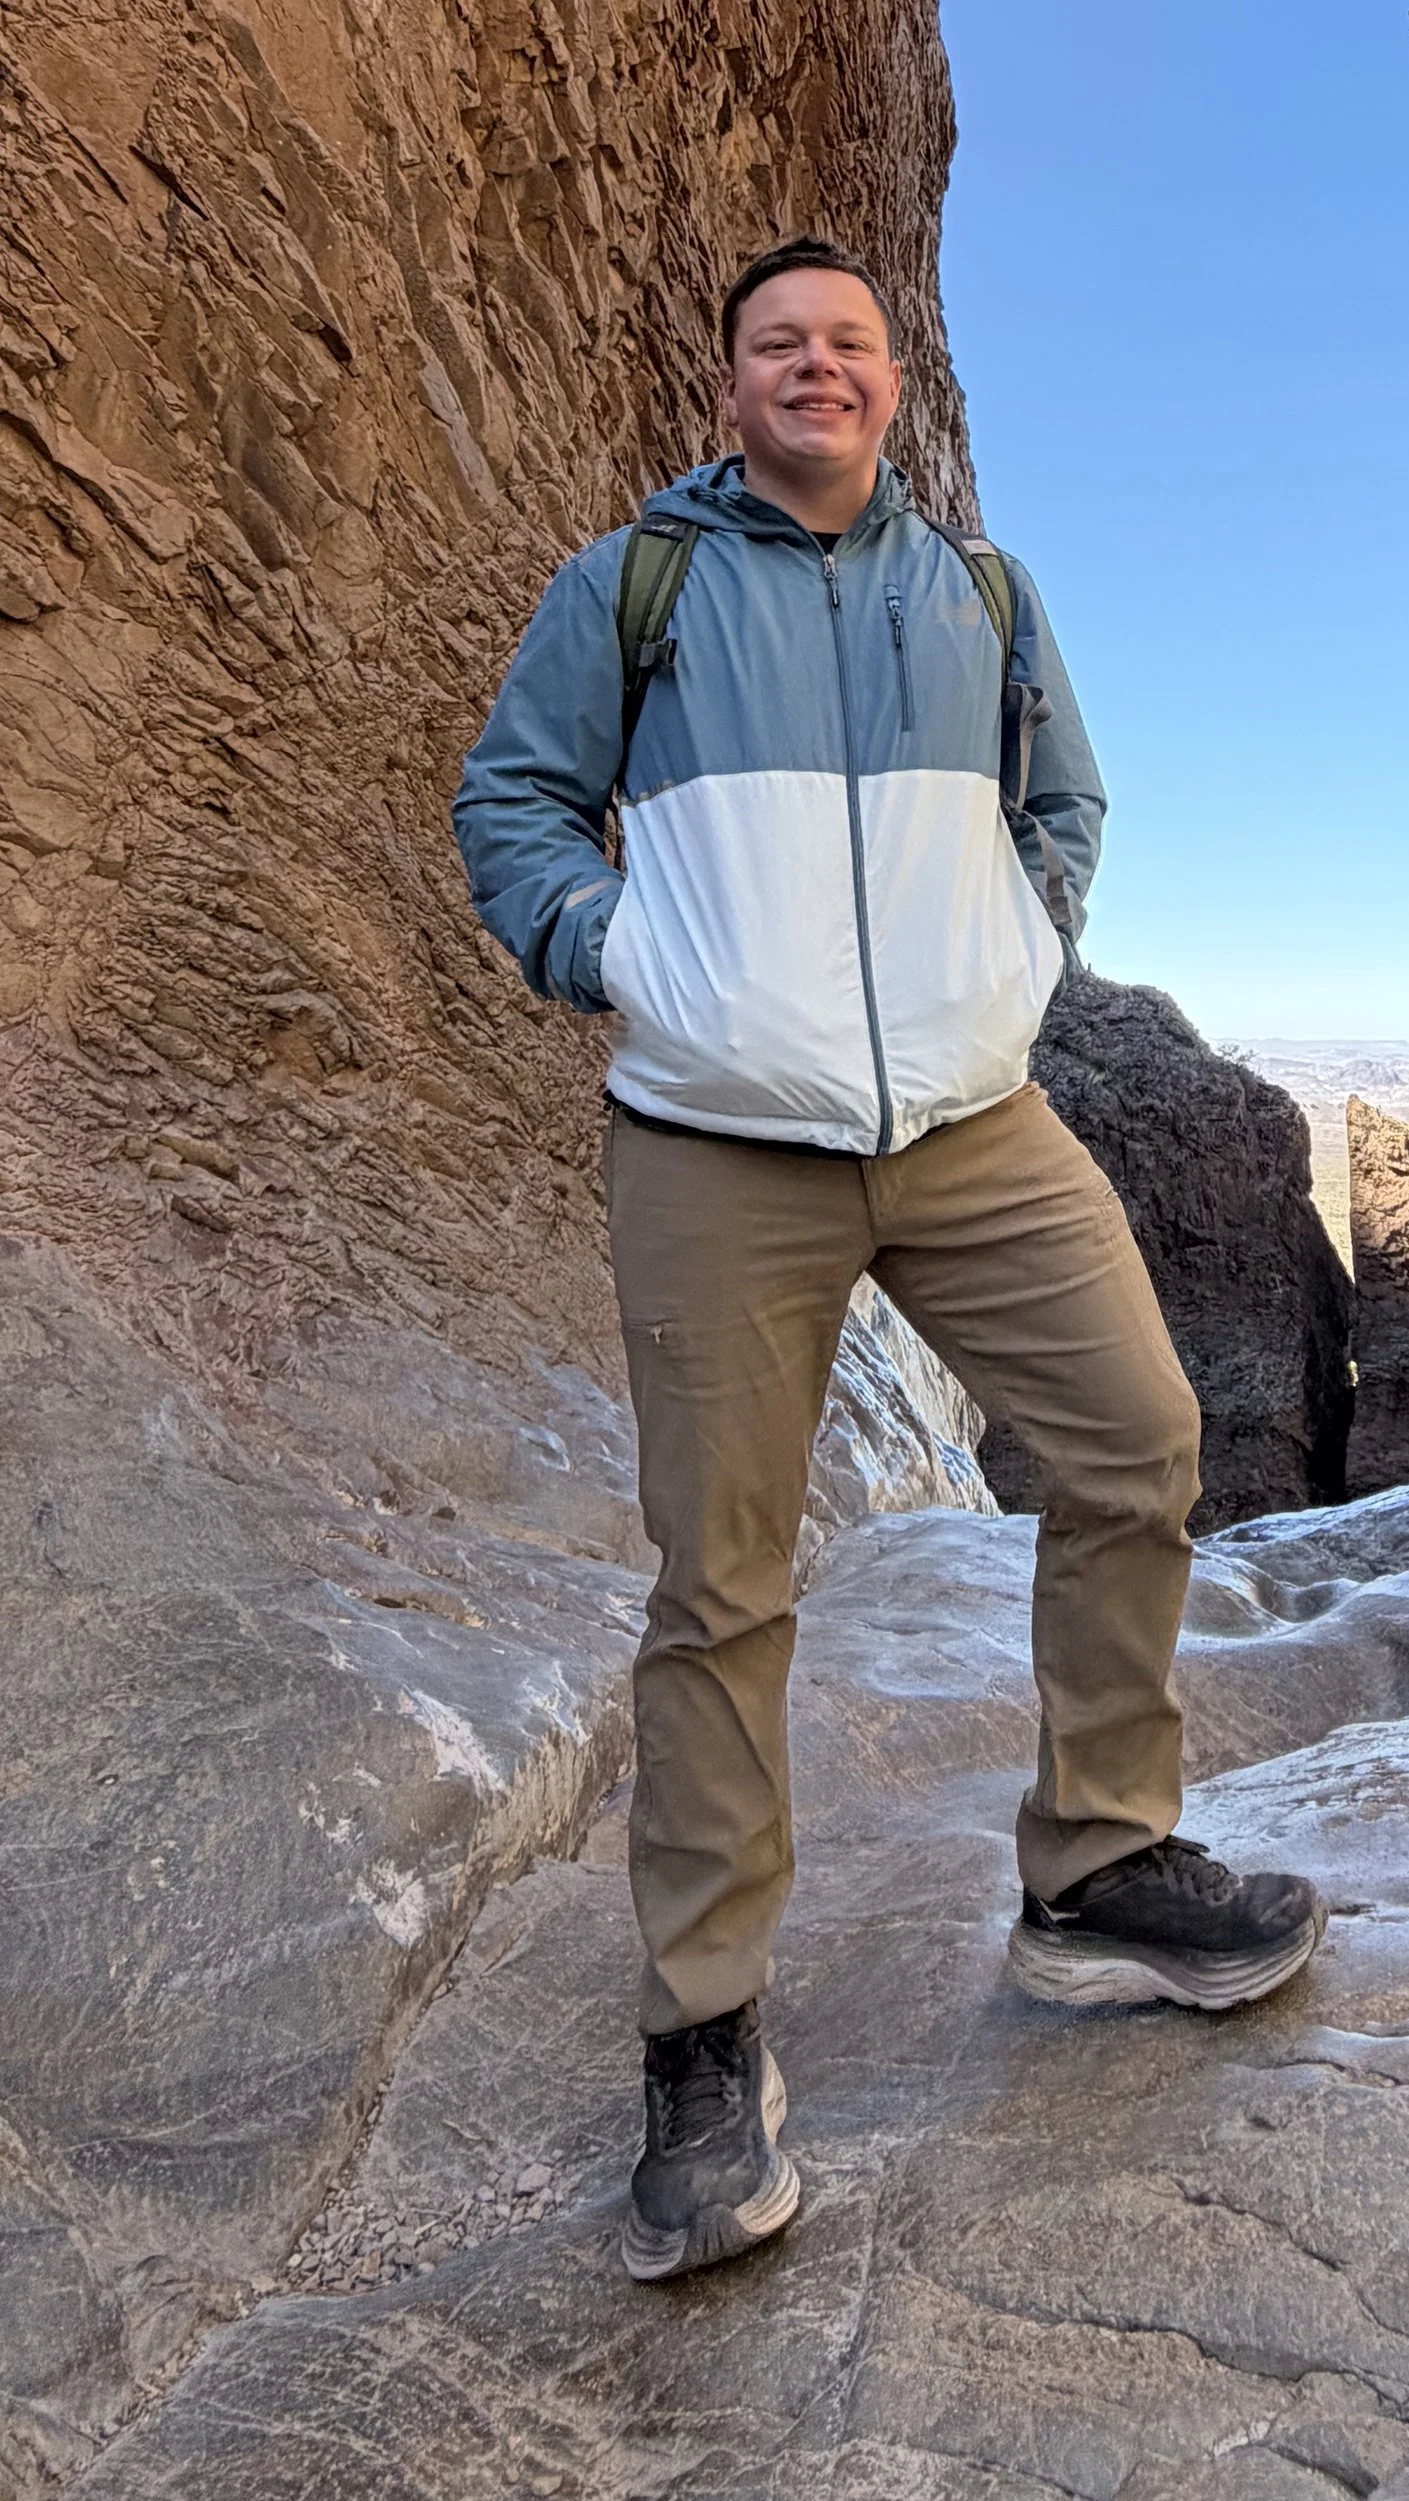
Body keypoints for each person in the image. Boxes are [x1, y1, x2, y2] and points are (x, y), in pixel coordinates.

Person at [453, 236, 1326, 2285]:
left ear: (894, 379)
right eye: (780, 343)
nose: (816, 368)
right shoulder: (636, 587)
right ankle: (701, 2035)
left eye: (848, 341)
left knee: (1135, 1435)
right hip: (713, 1141)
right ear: (733, 381)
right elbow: (513, 803)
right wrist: (623, 959)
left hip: (968, 1122)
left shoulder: (981, 592)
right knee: (722, 1580)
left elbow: (1068, 791)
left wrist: (1016, 945)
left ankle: (1098, 1869)